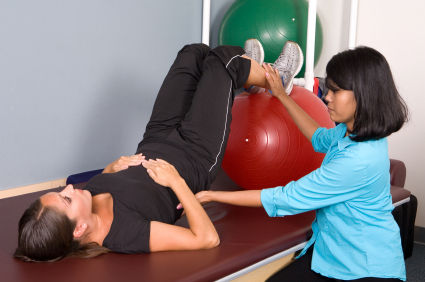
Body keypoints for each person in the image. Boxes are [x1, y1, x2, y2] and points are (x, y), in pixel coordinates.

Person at [14, 42, 296, 262]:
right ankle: (276, 80)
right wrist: (177, 182)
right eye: (66, 199)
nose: (70, 188)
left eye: (62, 191)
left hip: (156, 139)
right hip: (196, 154)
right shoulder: (126, 234)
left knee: (193, 54)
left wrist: (113, 166)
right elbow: (206, 239)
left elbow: (116, 180)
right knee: (223, 60)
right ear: (78, 231)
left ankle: (248, 73)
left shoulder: (89, 198)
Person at [190, 45, 409, 281]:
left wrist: (213, 196)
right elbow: (318, 138)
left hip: (365, 269)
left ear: (364, 94)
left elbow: (286, 198)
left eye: (336, 91)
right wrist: (282, 96)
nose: (326, 97)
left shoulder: (358, 161)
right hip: (334, 252)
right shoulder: (352, 132)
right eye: (328, 89)